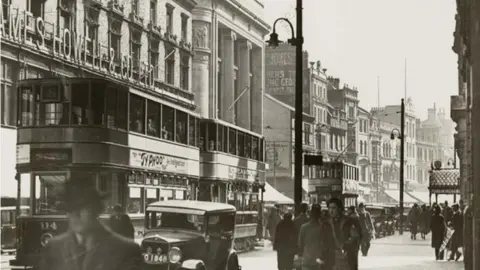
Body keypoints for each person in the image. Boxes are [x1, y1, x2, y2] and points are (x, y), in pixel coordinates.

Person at [38, 179, 142, 270]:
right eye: (70, 209)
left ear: (96, 209)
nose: (75, 215)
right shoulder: (54, 248)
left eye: (81, 208)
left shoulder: (126, 250)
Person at [327, 198, 362, 270]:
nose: (331, 210)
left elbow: (355, 237)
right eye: (329, 208)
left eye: (334, 208)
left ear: (340, 209)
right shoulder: (326, 223)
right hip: (332, 257)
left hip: (347, 257)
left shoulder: (349, 221)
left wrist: (345, 245)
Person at [298, 204, 331, 270]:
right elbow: (327, 245)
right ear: (320, 215)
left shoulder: (304, 227)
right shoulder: (323, 228)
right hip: (319, 260)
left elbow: (300, 244)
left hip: (307, 259)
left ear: (311, 214)